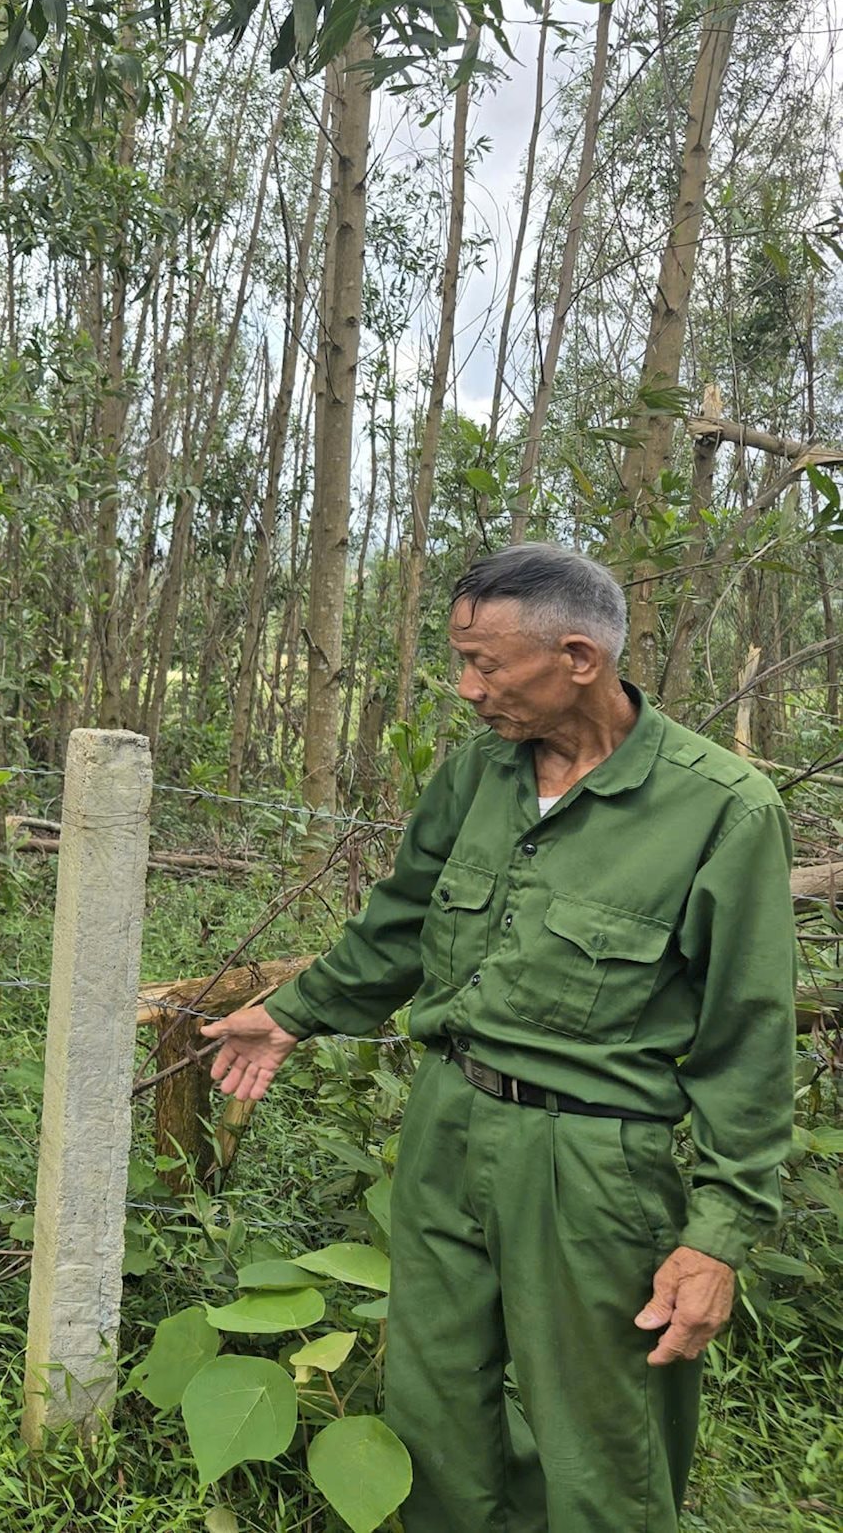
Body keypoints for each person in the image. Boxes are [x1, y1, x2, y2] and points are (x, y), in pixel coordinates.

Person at [203, 543, 796, 1533]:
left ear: (576, 658)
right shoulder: (480, 773)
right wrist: (296, 1011)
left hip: (592, 1161)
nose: (467, 689)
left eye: (485, 664)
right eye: (459, 660)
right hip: (448, 1123)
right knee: (436, 1405)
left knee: (602, 1432)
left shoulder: (720, 810)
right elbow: (400, 921)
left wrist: (717, 1236)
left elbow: (749, 1035)